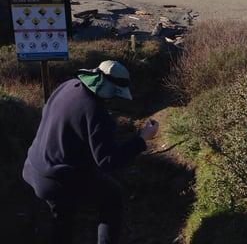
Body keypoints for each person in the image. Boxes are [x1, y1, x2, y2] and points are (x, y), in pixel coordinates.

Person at [22, 60, 159, 244]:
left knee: (62, 217)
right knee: (112, 196)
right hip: (56, 180)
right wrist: (141, 140)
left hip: (33, 166)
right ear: (110, 91)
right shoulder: (96, 112)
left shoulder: (68, 85)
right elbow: (108, 161)